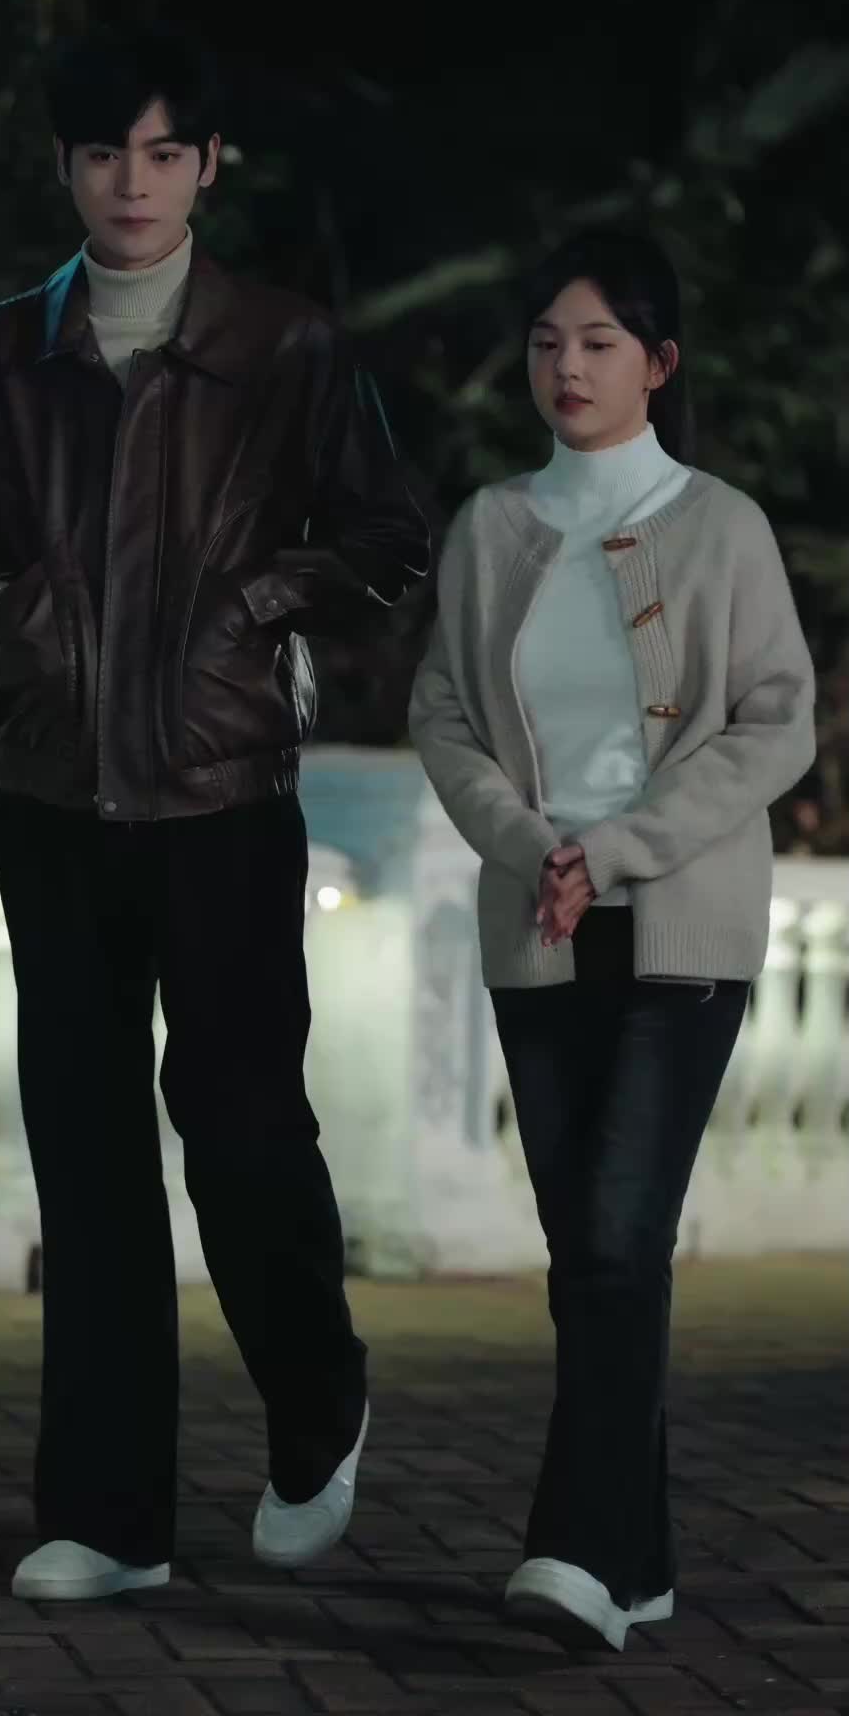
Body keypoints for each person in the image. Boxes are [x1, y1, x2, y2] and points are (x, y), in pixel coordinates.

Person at [0, 24, 430, 1600]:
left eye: (165, 152)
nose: (134, 182)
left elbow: (391, 539)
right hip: (52, 798)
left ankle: (317, 1391)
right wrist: (4, 601)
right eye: (107, 152)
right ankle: (109, 1519)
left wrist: (257, 602)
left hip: (222, 795)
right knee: (89, 1150)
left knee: (241, 1130)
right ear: (65, 165)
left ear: (208, 167)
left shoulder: (285, 351)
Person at [408, 229, 815, 1650]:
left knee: (618, 1235)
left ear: (660, 362)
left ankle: (574, 1554)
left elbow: (778, 721)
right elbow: (444, 717)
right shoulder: (489, 528)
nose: (567, 368)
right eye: (545, 343)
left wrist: (618, 849)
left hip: (679, 929)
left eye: (597, 343)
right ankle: (637, 1557)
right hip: (541, 925)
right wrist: (536, 847)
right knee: (584, 1245)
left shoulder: (723, 527)